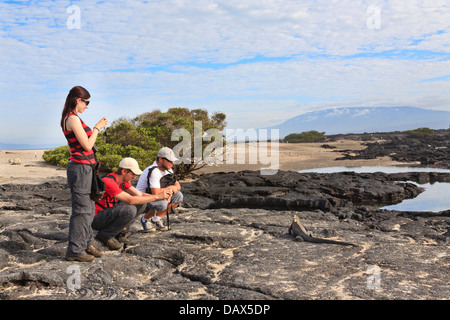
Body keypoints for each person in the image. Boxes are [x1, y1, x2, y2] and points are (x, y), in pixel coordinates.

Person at [61, 85, 108, 262]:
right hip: (80, 169)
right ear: (78, 100)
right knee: (81, 211)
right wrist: (97, 128)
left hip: (85, 168)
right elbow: (87, 145)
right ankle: (75, 250)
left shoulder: (74, 118)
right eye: (86, 102)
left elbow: (75, 147)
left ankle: (85, 243)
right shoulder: (72, 118)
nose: (87, 106)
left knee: (89, 209)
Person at [92, 157, 171, 250]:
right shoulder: (108, 181)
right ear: (124, 172)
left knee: (141, 204)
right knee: (130, 209)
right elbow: (130, 200)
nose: (134, 177)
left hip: (109, 214)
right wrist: (157, 197)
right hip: (97, 218)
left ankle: (121, 232)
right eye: (133, 174)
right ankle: (105, 235)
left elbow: (140, 194)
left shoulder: (122, 181)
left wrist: (160, 197)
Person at [136, 147, 183, 232]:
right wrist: (171, 189)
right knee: (162, 203)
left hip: (155, 194)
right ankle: (145, 219)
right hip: (142, 197)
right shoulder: (154, 171)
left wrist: (171, 191)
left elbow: (178, 186)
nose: (172, 163)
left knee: (179, 196)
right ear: (161, 159)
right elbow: (156, 193)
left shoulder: (168, 169)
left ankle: (156, 219)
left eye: (172, 160)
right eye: (169, 160)